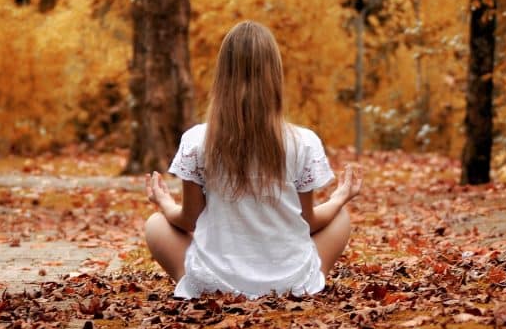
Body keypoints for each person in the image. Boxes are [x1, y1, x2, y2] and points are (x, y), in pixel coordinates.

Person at [143, 20, 363, 299]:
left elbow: (189, 221)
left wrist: (163, 202)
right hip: (288, 285)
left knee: (155, 224)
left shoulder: (197, 141)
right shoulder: (303, 142)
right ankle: (301, 283)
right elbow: (307, 222)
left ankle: (205, 286)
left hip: (217, 284)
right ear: (274, 76)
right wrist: (340, 197)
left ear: (223, 75)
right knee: (340, 217)